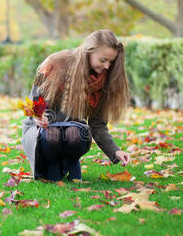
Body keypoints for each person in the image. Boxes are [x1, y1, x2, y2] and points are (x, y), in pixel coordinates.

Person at [21, 30, 131, 182]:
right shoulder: (55, 63)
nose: (107, 66)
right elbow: (33, 104)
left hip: (74, 132)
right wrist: (38, 117)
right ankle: (52, 165)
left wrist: (115, 151)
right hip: (44, 131)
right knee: (53, 135)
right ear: (89, 52)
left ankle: (72, 162)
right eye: (103, 60)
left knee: (74, 133)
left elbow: (97, 125)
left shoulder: (103, 80)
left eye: (110, 62)